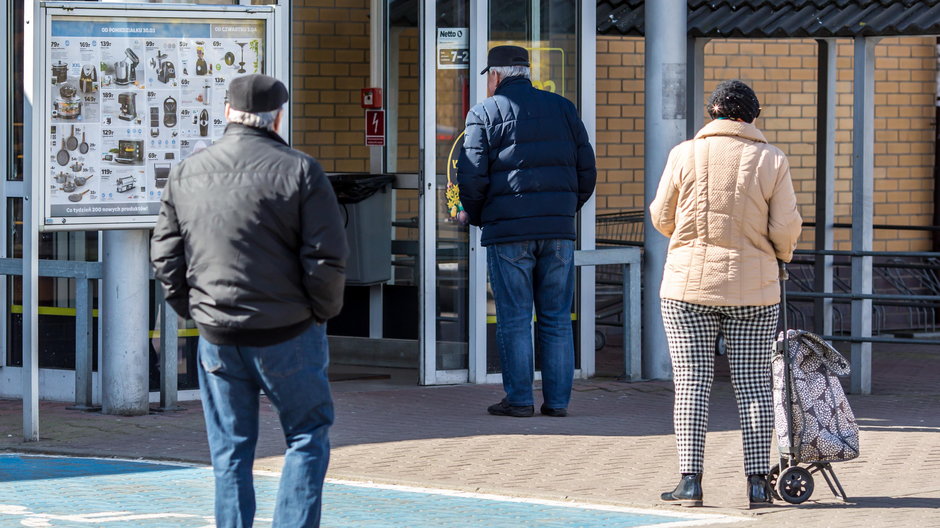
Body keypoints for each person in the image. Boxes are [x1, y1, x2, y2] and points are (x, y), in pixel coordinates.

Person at [151, 74, 348, 527]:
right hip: (289, 332)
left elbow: (165, 253)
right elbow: (326, 255)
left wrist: (195, 309)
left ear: (226, 113)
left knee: (230, 451)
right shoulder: (300, 170)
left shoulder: (187, 172)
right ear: (277, 116)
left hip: (218, 335)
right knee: (307, 435)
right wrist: (321, 312)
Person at [650, 80, 802, 508]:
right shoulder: (772, 159)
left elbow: (661, 216)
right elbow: (785, 228)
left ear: (712, 113)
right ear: (752, 117)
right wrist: (779, 255)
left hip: (686, 290)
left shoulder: (683, 154)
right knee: (754, 385)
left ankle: (690, 482)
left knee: (692, 385)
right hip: (754, 293)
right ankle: (757, 483)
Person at [457, 45, 596, 418]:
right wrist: (564, 210)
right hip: (558, 232)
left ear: (496, 76)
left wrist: (476, 214)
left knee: (515, 317)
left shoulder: (484, 113)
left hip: (509, 232)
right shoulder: (563, 108)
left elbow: (470, 175)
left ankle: (519, 400)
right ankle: (558, 402)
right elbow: (587, 171)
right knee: (555, 318)